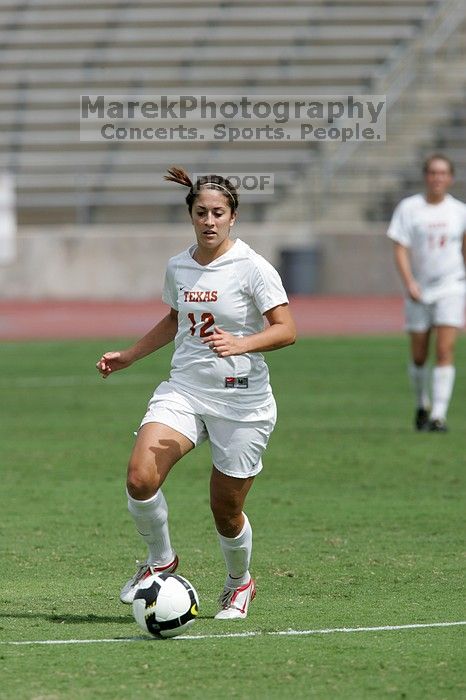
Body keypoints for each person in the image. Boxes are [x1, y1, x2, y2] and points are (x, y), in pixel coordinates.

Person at [96, 167, 296, 619]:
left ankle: (239, 582)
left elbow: (287, 330)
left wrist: (242, 342)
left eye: (218, 213)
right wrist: (130, 355)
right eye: (201, 212)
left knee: (226, 512)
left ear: (233, 217)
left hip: (242, 401)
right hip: (185, 390)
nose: (209, 220)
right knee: (139, 477)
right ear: (191, 215)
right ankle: (160, 561)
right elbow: (174, 321)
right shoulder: (179, 266)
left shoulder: (253, 267)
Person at [387, 154, 466, 432]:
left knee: (445, 349)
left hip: (451, 286)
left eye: (443, 173)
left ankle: (439, 415)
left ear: (450, 178)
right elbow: (400, 247)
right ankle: (422, 404)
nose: (437, 178)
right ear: (426, 176)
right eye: (433, 172)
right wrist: (409, 282)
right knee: (419, 354)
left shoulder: (459, 211)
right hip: (419, 288)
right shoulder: (410, 208)